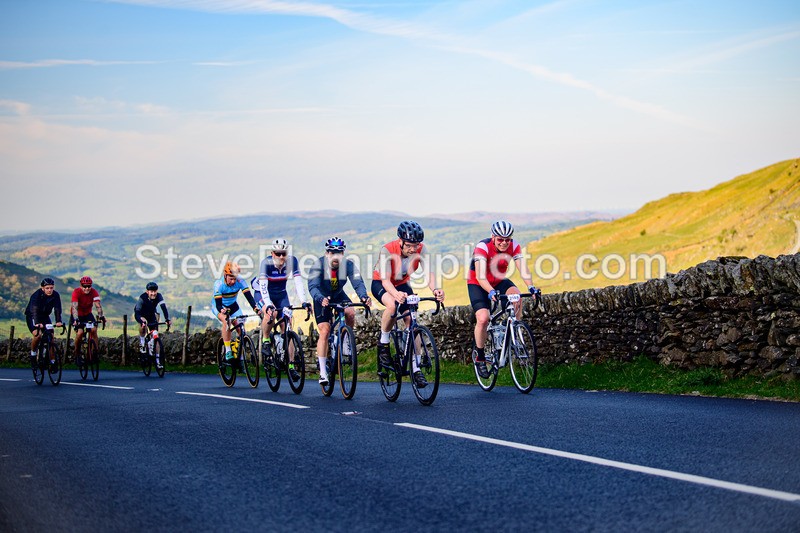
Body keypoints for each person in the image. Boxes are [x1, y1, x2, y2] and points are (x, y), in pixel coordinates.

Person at [372, 220, 444, 388]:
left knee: (412, 321)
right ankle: (383, 343)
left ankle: (416, 367)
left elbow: (429, 274)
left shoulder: (421, 250)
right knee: (391, 306)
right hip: (382, 283)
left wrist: (436, 290)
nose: (413, 249)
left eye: (416, 245)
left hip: (402, 284)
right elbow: (385, 281)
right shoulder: (387, 251)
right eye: (410, 246)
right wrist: (396, 294)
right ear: (401, 242)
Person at [468, 220, 540, 378]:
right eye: (500, 239)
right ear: (493, 237)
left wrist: (531, 287)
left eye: (507, 239)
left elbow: (523, 269)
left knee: (517, 296)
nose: (504, 243)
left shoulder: (514, 246)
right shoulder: (483, 247)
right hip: (478, 283)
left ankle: (514, 329)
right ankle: (480, 357)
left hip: (499, 280)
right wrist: (491, 291)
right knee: (483, 318)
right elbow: (480, 276)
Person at [307, 237, 371, 386]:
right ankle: (323, 372)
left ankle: (345, 342)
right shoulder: (318, 265)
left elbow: (358, 282)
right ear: (327, 253)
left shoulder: (348, 265)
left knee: (350, 312)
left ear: (343, 254)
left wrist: (363, 296)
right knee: (325, 330)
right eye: (332, 252)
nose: (335, 256)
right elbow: (313, 286)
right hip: (321, 297)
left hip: (338, 295)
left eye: (339, 252)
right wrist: (319, 298)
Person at [252, 238, 311, 382]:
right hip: (262, 292)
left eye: (283, 254)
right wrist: (268, 305)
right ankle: (266, 340)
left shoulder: (292, 261)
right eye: (278, 254)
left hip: (281, 294)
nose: (281, 257)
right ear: (272, 253)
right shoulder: (266, 264)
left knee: (287, 324)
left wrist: (304, 301)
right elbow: (264, 288)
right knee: (272, 313)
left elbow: (298, 282)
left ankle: (291, 366)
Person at [213, 261, 259, 361]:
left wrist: (256, 309)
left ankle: (240, 356)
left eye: (235, 278)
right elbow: (218, 304)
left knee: (241, 329)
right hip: (220, 306)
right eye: (231, 278)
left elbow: (249, 297)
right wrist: (222, 310)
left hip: (234, 306)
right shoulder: (219, 284)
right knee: (227, 321)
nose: (233, 281)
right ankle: (228, 350)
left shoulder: (240, 281)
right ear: (225, 275)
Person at [24, 277, 64, 366]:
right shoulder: (36, 295)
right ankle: (33, 354)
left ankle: (52, 362)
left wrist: (58, 321)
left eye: (51, 288)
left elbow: (57, 309)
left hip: (45, 316)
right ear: (42, 288)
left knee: (51, 338)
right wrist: (37, 323)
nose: (50, 290)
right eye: (47, 288)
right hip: (32, 316)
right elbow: (34, 310)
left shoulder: (55, 295)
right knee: (37, 335)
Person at [134, 282, 172, 367]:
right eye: (151, 291)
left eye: (155, 291)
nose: (153, 293)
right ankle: (142, 342)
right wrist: (141, 320)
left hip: (151, 315)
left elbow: (164, 308)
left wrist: (167, 319)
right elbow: (137, 312)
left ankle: (158, 361)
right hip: (141, 314)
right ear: (147, 291)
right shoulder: (142, 297)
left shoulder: (159, 296)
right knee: (142, 327)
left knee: (156, 335)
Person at [71, 275, 105, 365]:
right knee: (80, 333)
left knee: (94, 330)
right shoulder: (76, 292)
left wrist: (101, 316)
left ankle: (94, 353)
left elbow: (98, 305)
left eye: (89, 286)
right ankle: (77, 354)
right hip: (77, 315)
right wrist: (76, 319)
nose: (87, 288)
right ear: (80, 285)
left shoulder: (94, 292)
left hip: (87, 314)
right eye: (84, 286)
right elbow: (74, 307)